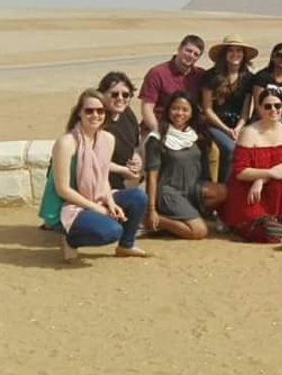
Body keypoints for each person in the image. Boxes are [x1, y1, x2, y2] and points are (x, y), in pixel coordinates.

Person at [40, 89, 148, 261]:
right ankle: (70, 240)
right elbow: (63, 190)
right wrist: (97, 208)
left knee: (138, 197)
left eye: (100, 111)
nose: (95, 115)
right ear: (79, 113)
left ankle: (126, 245)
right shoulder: (67, 143)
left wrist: (110, 203)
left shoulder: (107, 139)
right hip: (67, 206)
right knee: (112, 231)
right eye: (89, 111)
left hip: (95, 195)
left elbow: (103, 178)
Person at [221, 88, 282, 242]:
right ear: (259, 108)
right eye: (268, 106)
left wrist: (261, 180)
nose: (273, 110)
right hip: (245, 188)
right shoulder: (248, 132)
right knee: (260, 231)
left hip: (268, 183)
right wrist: (267, 174)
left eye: (277, 105)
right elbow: (240, 172)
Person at [144, 91, 227, 240]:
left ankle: (182, 219)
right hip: (169, 191)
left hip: (192, 188)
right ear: (168, 110)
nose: (179, 113)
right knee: (200, 232)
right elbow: (152, 176)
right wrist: (151, 209)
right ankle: (156, 221)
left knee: (223, 192)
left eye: (185, 109)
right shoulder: (157, 138)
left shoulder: (196, 135)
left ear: (191, 113)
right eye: (175, 108)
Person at [201, 35, 257, 185]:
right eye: (231, 50)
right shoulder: (211, 76)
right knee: (231, 149)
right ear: (224, 54)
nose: (235, 54)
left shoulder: (248, 78)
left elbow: (246, 109)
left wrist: (238, 128)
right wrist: (226, 130)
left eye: (239, 50)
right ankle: (222, 189)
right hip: (214, 124)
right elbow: (207, 110)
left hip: (237, 126)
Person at [139, 35, 206, 133]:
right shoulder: (157, 73)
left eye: (196, 54)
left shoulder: (201, 75)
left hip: (188, 130)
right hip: (158, 127)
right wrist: (158, 132)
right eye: (188, 51)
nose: (191, 55)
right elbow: (147, 108)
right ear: (179, 49)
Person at [98, 71, 142, 190]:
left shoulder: (127, 114)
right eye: (114, 94)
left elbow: (134, 147)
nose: (120, 99)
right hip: (100, 183)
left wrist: (136, 160)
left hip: (123, 180)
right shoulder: (96, 118)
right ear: (102, 94)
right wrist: (122, 170)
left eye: (126, 95)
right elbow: (92, 159)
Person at [251, 43, 282, 124]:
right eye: (280, 55)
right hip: (261, 121)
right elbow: (258, 106)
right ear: (273, 57)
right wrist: (272, 125)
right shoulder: (262, 76)